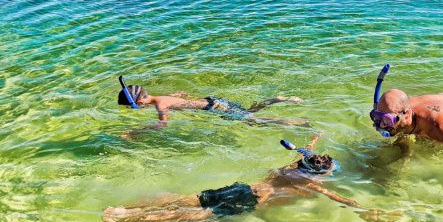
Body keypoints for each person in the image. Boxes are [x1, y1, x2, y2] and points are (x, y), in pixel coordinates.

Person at [103, 134, 388, 222]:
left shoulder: (290, 167)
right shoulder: (308, 183)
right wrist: (359, 207)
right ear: (320, 173)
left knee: (187, 199)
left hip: (243, 187)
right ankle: (125, 217)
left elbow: (307, 152)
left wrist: (313, 140)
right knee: (191, 215)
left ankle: (127, 209)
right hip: (250, 199)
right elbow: (335, 197)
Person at [117, 75, 310, 131]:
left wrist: (138, 132)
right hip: (213, 101)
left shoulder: (160, 106)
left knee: (254, 120)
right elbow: (180, 94)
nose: (136, 108)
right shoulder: (160, 98)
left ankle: (296, 122)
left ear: (140, 100)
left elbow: (163, 124)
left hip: (215, 107)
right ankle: (278, 99)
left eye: (134, 105)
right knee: (250, 111)